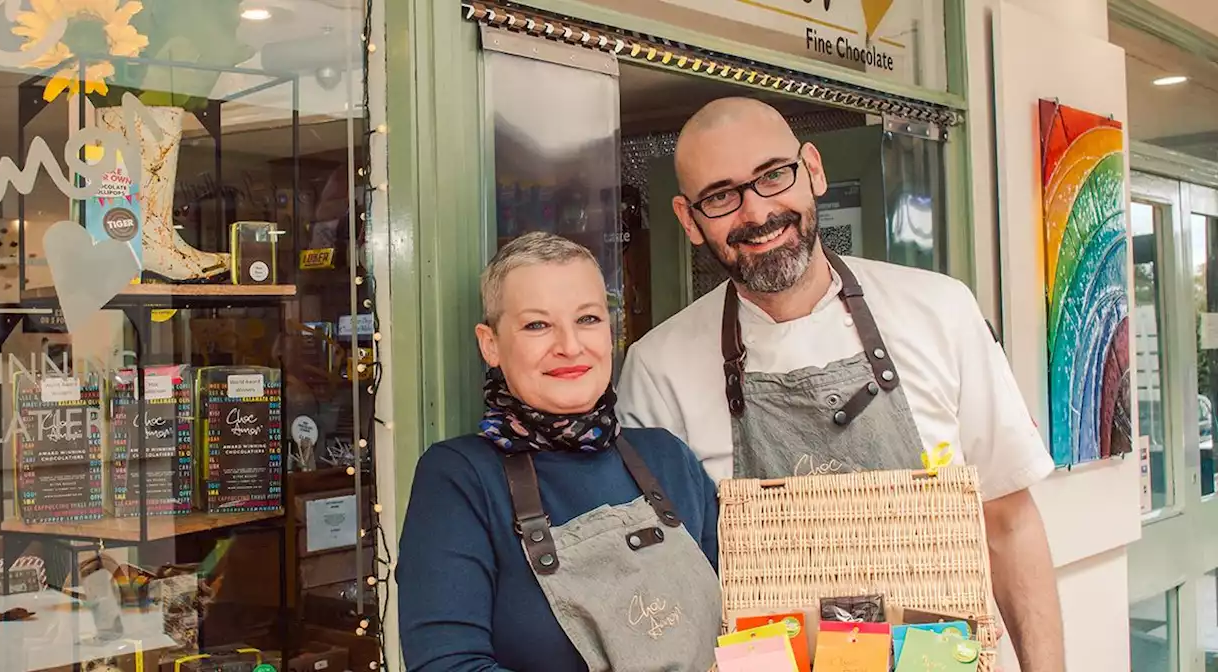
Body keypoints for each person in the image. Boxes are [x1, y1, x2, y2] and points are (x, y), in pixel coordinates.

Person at [616, 97, 1064, 672]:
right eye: (722, 195)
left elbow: (1010, 521)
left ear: (814, 170)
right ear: (688, 219)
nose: (757, 213)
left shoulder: (940, 310)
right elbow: (663, 581)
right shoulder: (659, 367)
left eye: (774, 176)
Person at [397, 232, 722, 672]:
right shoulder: (460, 478)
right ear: (490, 344)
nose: (570, 345)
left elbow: (744, 630)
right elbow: (447, 666)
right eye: (537, 325)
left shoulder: (668, 458)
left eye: (588, 318)